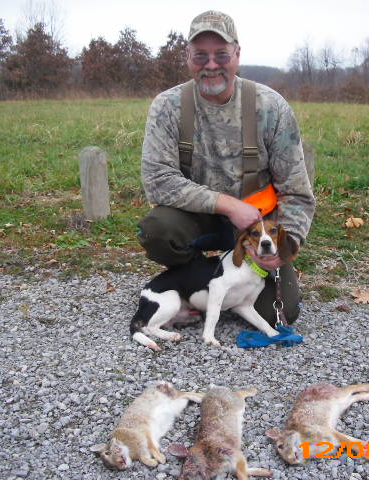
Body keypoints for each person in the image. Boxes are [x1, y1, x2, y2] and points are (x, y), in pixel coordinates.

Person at [137, 10, 315, 326]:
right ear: (187, 56)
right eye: (200, 56)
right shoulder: (167, 106)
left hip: (255, 229)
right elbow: (157, 180)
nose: (211, 65)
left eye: (221, 54)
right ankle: (197, 282)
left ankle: (227, 289)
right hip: (196, 222)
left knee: (280, 315)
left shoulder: (270, 106)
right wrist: (228, 205)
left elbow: (297, 194)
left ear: (237, 54)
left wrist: (283, 249)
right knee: (158, 231)